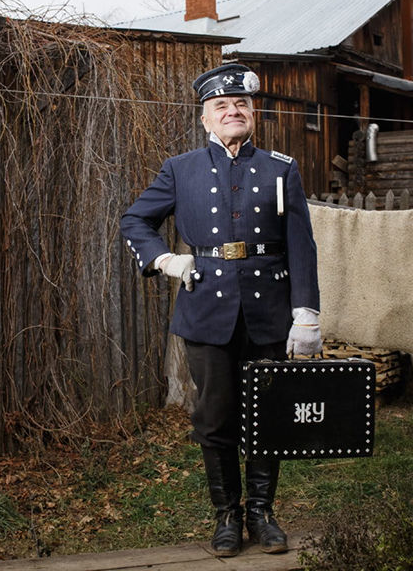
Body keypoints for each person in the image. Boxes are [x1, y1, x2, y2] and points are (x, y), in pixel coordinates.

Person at [120, 63, 322, 557]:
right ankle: (227, 516)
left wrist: (306, 311)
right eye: (221, 107)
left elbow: (302, 243)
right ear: (205, 119)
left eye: (241, 105)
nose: (233, 112)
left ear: (252, 114)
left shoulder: (281, 168)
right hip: (206, 312)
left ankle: (262, 513)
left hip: (269, 311)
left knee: (269, 414)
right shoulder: (180, 169)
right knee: (215, 417)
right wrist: (165, 259)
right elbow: (135, 220)